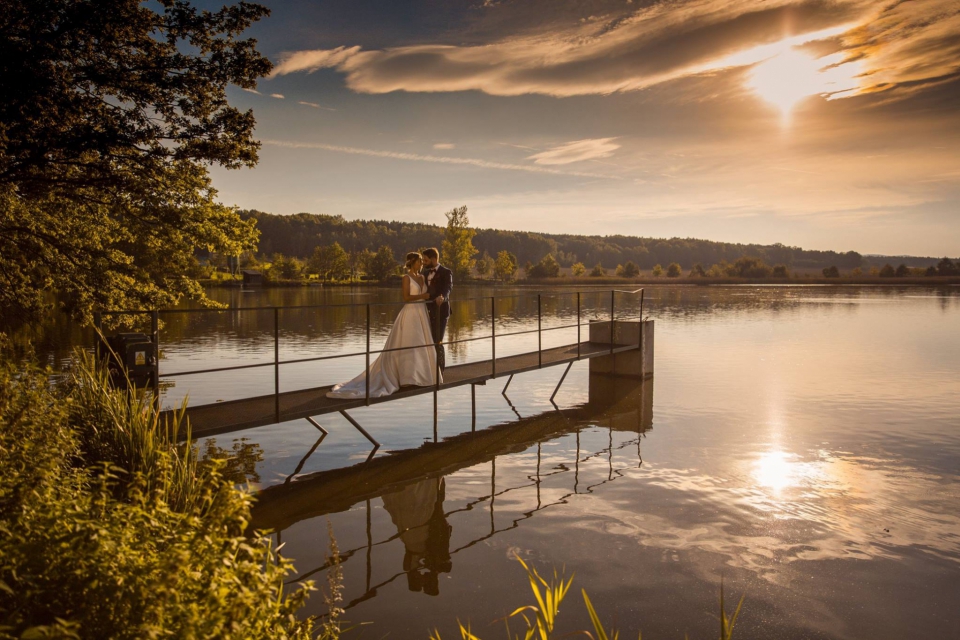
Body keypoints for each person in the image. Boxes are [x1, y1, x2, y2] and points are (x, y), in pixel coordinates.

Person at [326, 252, 440, 399]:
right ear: (412, 262)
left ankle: (421, 377)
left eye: (421, 262)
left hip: (422, 313)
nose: (421, 264)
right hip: (411, 313)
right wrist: (422, 296)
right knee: (409, 343)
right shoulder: (406, 278)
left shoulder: (423, 277)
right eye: (419, 261)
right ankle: (406, 378)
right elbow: (406, 298)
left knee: (421, 344)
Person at [421, 247, 452, 371]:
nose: (424, 262)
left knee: (438, 339)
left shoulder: (446, 272)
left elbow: (448, 288)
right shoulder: (425, 273)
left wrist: (442, 297)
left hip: (442, 310)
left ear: (433, 259)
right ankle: (429, 369)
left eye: (426, 260)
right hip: (427, 311)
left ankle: (440, 371)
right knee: (429, 339)